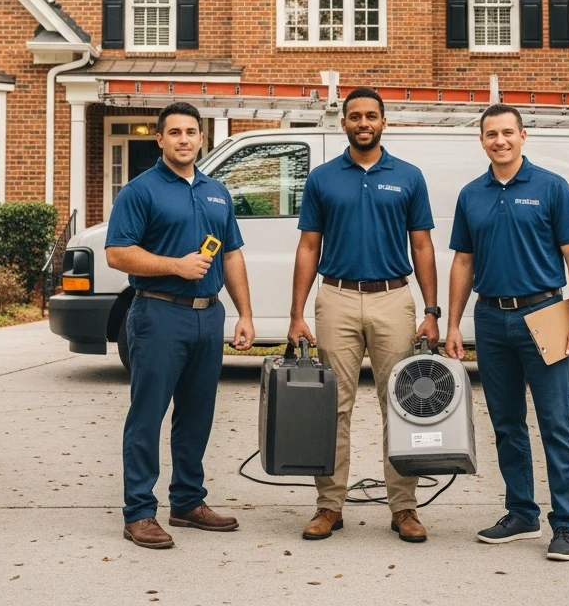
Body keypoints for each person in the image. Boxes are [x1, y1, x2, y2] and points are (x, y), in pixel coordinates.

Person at [444, 104, 569, 561]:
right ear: (482, 141)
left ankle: (566, 522)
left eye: (508, 132)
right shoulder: (471, 195)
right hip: (491, 319)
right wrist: (452, 323)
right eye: (491, 134)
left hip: (545, 314)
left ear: (523, 136)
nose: (500, 140)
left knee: (556, 422)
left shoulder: (552, 187)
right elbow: (463, 262)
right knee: (507, 423)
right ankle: (521, 513)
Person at [288, 87, 441, 544]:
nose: (363, 123)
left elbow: (422, 246)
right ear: (344, 124)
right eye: (354, 116)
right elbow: (308, 247)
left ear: (383, 122)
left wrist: (431, 311)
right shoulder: (322, 178)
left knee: (402, 404)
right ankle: (329, 506)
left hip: (393, 297)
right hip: (336, 297)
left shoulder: (409, 176)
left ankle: (404, 507)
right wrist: (297, 313)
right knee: (333, 407)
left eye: (371, 116)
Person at [106, 101, 256, 550]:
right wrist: (176, 265)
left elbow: (231, 254)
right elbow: (117, 253)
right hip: (159, 313)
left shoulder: (217, 192)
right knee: (148, 414)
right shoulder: (141, 191)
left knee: (197, 414)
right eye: (175, 132)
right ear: (160, 139)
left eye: (191, 132)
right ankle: (139, 512)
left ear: (201, 138)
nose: (184, 139)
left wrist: (245, 313)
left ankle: (188, 501)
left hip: (209, 315)